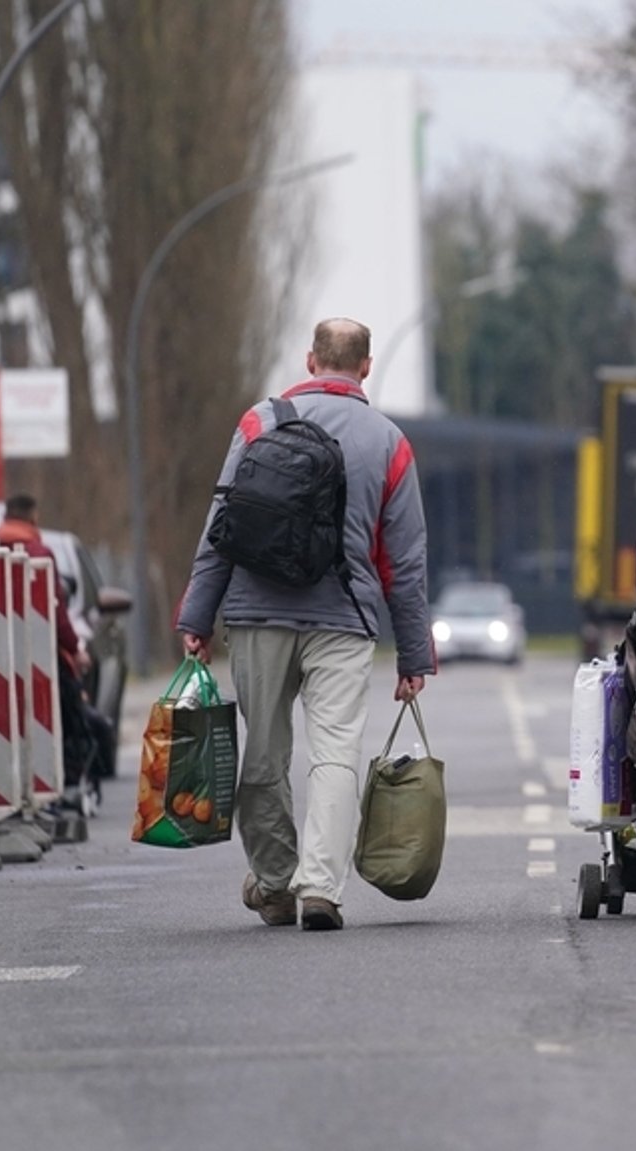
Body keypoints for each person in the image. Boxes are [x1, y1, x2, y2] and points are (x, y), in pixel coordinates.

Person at [177, 318, 433, 933]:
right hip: (344, 619)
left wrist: (197, 615)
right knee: (336, 755)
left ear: (310, 358)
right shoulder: (390, 440)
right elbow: (405, 558)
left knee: (263, 754)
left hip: (256, 611)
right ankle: (321, 887)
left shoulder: (258, 423)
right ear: (366, 366)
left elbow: (222, 524)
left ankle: (273, 882)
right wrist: (413, 655)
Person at [0, 493, 99, 815]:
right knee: (63, 717)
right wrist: (75, 650)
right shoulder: (39, 554)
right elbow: (56, 613)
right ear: (33, 518)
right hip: (40, 661)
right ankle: (57, 788)